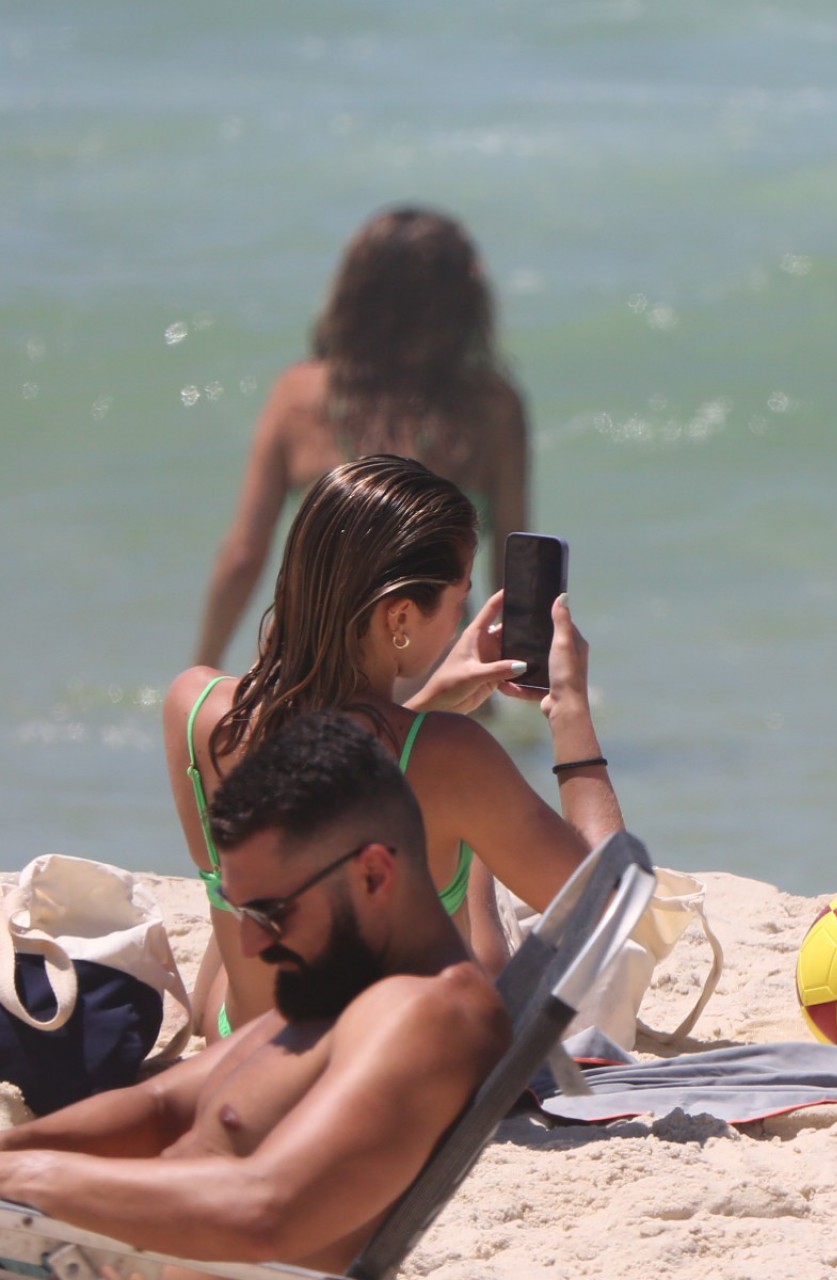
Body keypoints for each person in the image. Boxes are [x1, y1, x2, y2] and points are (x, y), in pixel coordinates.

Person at [0, 711, 512, 1271]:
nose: (248, 945)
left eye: (270, 912)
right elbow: (162, 1107)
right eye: (242, 910)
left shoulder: (429, 1015)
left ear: (372, 875)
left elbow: (266, 1214)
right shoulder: (349, 984)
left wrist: (27, 1177)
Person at [165, 454, 617, 1038]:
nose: (461, 621)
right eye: (459, 601)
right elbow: (608, 909)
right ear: (399, 615)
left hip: (239, 1038)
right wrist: (571, 711)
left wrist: (422, 706)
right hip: (379, 1068)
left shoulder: (195, 708)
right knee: (465, 837)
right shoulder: (450, 756)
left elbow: (334, 774)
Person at [193, 205, 528, 671]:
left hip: (305, 670)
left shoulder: (299, 395)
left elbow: (243, 556)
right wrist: (535, 685)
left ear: (356, 296)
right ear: (463, 304)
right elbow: (516, 567)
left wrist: (202, 671)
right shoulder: (492, 407)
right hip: (436, 670)